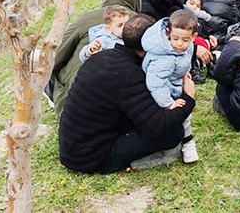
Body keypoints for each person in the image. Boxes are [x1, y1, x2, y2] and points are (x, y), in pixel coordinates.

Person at [59, 15, 196, 173]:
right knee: (173, 133)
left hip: (74, 144)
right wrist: (188, 98)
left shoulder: (103, 56)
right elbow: (159, 125)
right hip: (91, 157)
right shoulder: (129, 75)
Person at [50, 0, 141, 116]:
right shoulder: (140, 23)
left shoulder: (85, 19)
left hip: (73, 104)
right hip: (125, 104)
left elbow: (55, 58)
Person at [140, 10, 201, 163]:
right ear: (168, 33)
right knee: (183, 114)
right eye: (175, 38)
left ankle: (185, 140)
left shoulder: (186, 47)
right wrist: (168, 103)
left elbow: (185, 58)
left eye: (185, 39)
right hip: (162, 92)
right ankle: (187, 143)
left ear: (193, 37)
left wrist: (185, 72)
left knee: (184, 117)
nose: (180, 44)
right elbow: (155, 82)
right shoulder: (164, 58)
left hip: (174, 83)